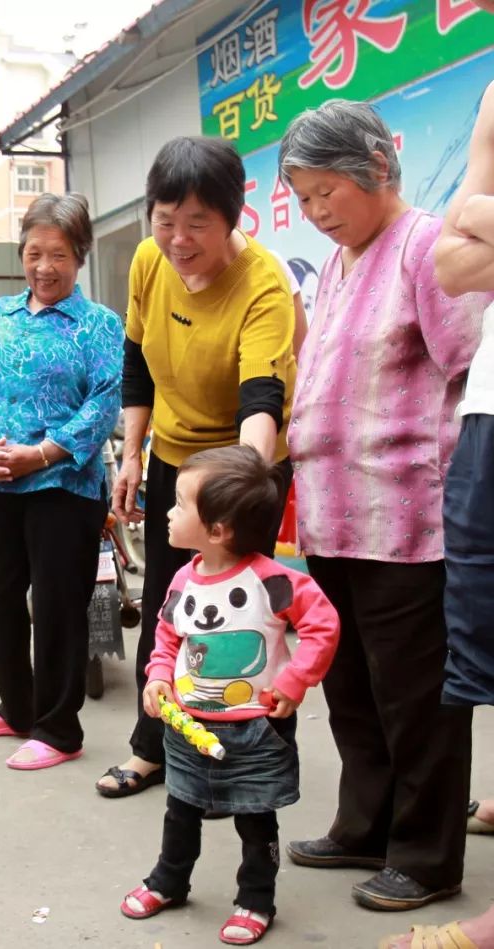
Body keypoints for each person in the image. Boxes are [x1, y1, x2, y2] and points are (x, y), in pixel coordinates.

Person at [278, 99, 488, 914]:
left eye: (328, 189)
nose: (318, 210)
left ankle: (429, 855)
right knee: (354, 690)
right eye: (304, 197)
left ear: (376, 165)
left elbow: (469, 371)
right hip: (334, 519)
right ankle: (366, 824)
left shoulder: (426, 247)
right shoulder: (337, 265)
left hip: (408, 522)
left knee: (416, 701)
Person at [99, 136, 296, 799]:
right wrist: (131, 452)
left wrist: (238, 496)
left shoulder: (263, 284)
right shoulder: (149, 261)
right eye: (164, 219)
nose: (178, 240)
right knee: (167, 602)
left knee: (242, 617)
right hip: (173, 458)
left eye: (197, 224)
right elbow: (136, 358)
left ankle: (245, 749)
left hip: (242, 466)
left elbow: (260, 398)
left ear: (233, 217)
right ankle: (153, 746)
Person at [120, 444, 339, 946]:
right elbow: (168, 636)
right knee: (181, 809)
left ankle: (256, 899)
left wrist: (294, 679)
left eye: (178, 503)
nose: (169, 512)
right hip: (189, 725)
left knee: (256, 820)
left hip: (256, 729)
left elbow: (322, 624)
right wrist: (157, 677)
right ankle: (168, 881)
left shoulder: (273, 581)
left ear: (218, 530)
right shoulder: (184, 577)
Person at [379, 36, 494, 949]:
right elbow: (464, 262)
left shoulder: (402, 244)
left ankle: (459, 888)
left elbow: (464, 252)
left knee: (434, 684)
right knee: (482, 664)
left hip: (425, 478)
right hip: (488, 428)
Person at [0, 192, 121, 770]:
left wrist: (41, 455)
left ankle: (58, 729)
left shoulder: (99, 325)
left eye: (58, 256)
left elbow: (103, 406)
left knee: (57, 608)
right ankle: (18, 709)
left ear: (80, 257)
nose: (44, 267)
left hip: (64, 487)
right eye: (33, 253)